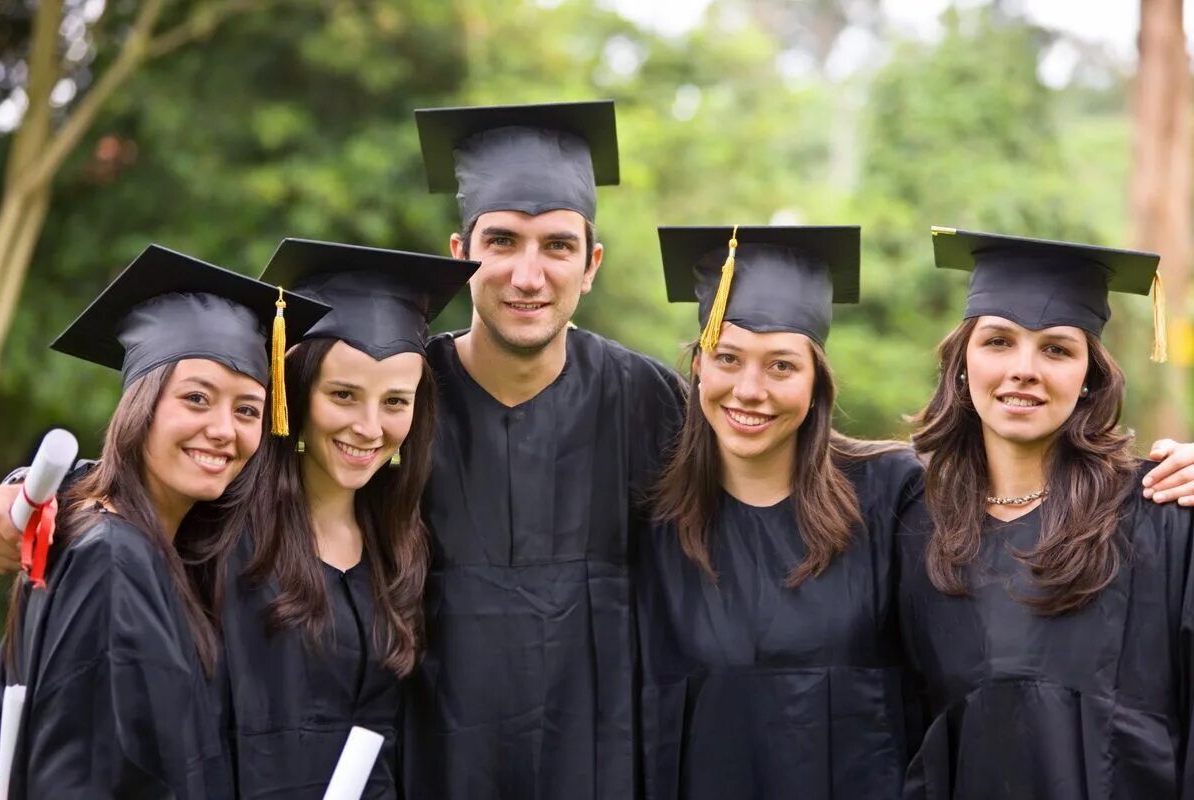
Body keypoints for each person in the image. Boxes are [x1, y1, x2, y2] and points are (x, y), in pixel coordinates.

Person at [404, 100, 686, 798]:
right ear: (458, 256)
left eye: (557, 246)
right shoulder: (400, 401)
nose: (528, 276)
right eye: (501, 241)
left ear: (590, 265)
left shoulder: (654, 404)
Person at [0, 245, 326, 799]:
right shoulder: (111, 558)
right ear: (140, 406)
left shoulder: (157, 547)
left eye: (247, 409)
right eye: (197, 398)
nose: (225, 429)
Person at [900, 228, 1194, 798]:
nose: (1024, 369)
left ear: (1090, 378)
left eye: (1057, 348)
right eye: (998, 341)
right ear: (963, 363)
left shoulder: (1163, 511)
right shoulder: (915, 528)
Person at [637, 225, 922, 799]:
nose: (749, 389)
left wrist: (1150, 470)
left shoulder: (894, 496)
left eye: (781, 366)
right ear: (698, 367)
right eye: (729, 357)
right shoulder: (651, 522)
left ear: (816, 382)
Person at [206, 239, 478, 798]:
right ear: (298, 391)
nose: (370, 427)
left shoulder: (402, 545)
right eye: (344, 395)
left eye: (396, 402)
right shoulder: (217, 527)